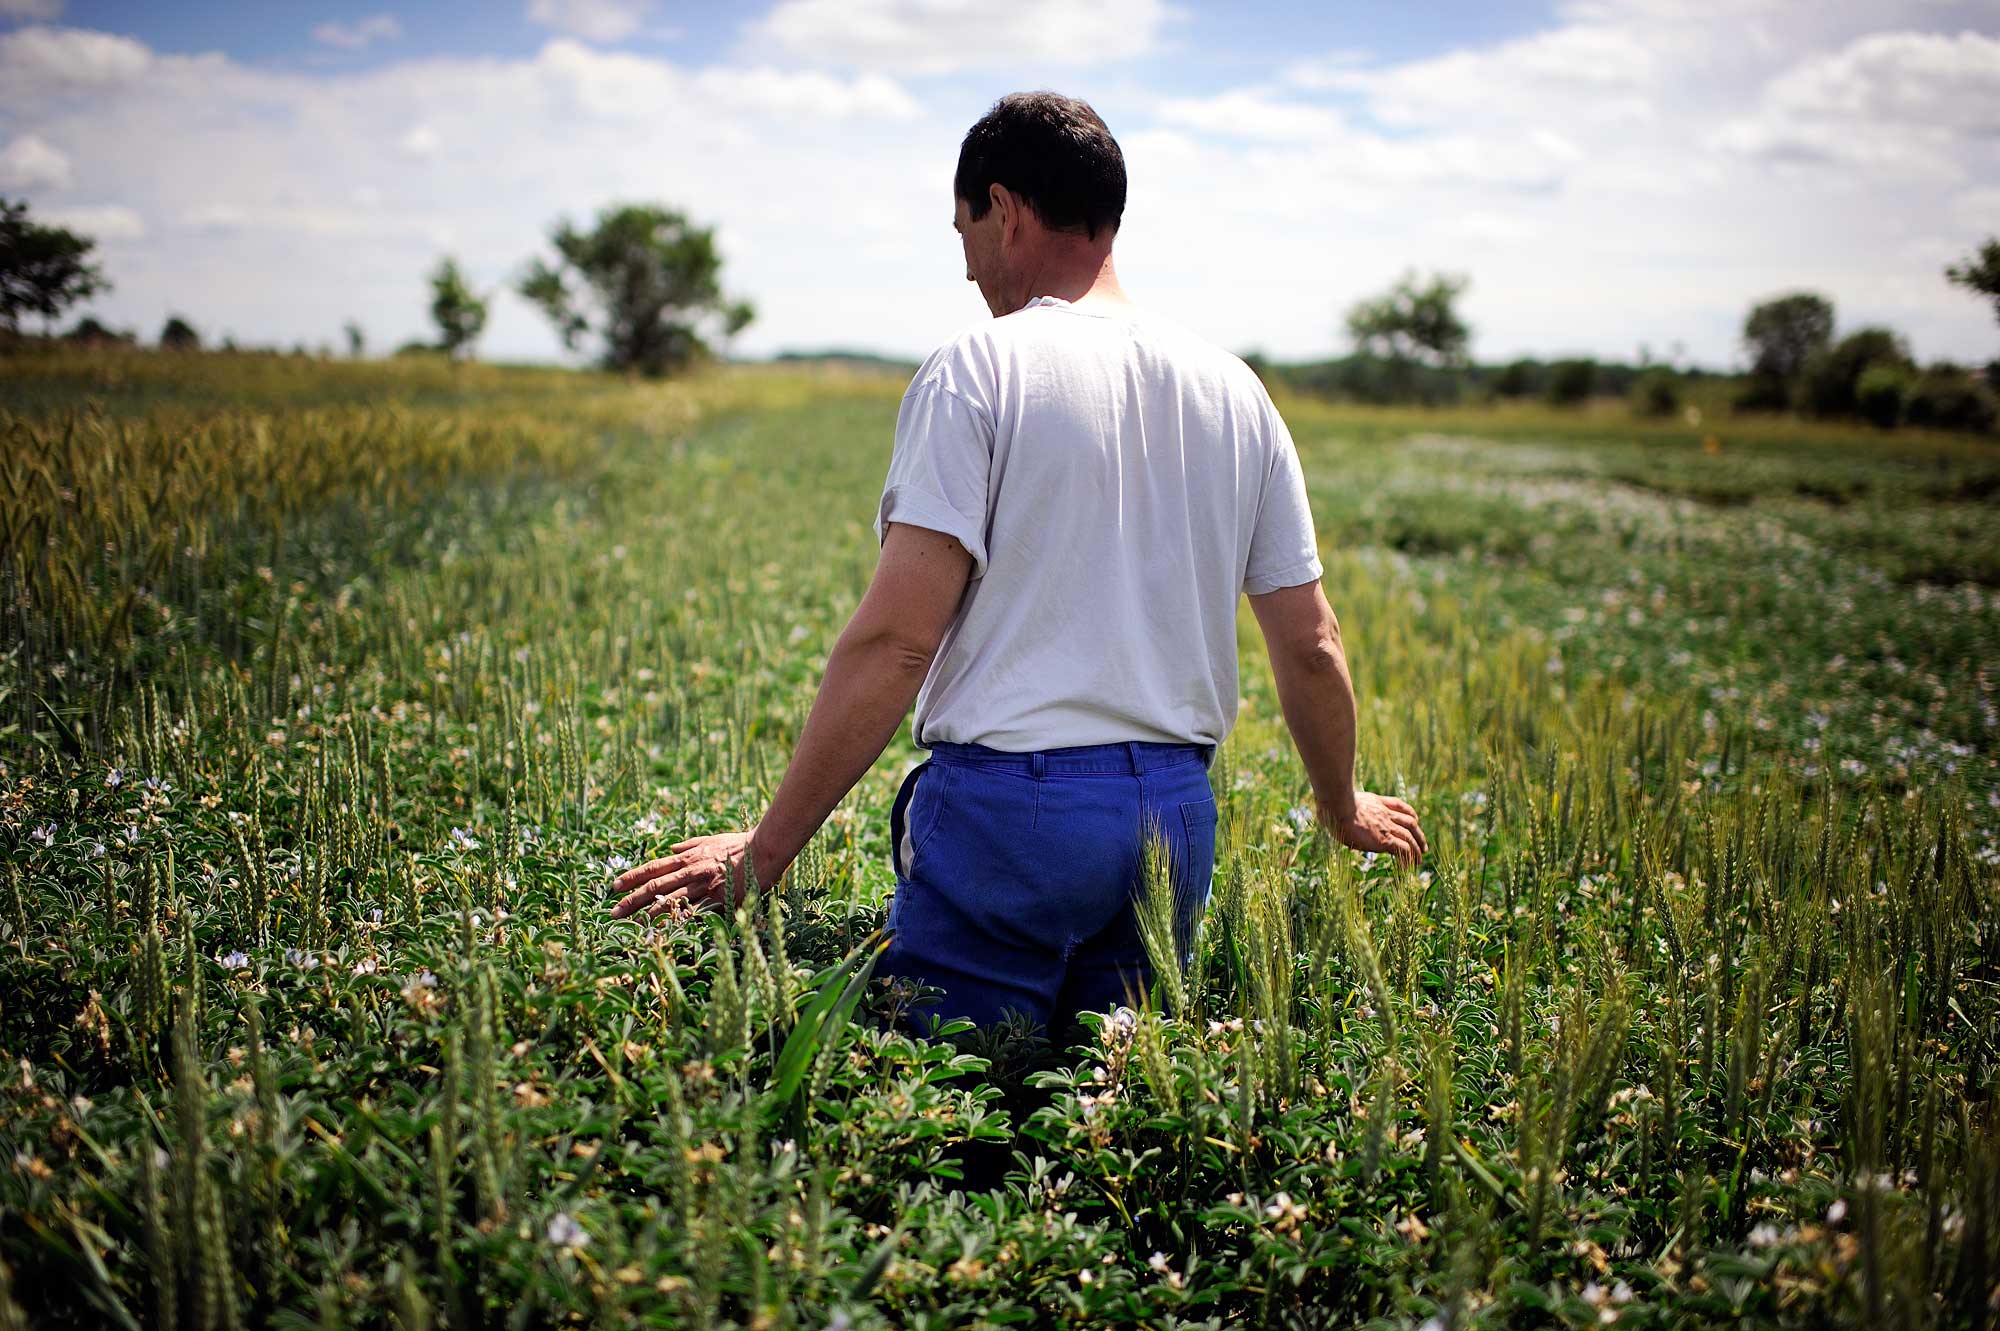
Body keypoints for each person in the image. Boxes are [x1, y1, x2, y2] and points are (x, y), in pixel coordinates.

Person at [609, 90, 1427, 1034]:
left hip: (1016, 818)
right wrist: (1342, 802)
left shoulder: (979, 367)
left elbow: (895, 648)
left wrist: (764, 853)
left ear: (1003, 208)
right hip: (1175, 816)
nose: (968, 273)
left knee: (958, 1110)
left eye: (964, 233)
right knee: (1111, 1109)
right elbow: (1312, 642)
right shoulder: (1236, 390)